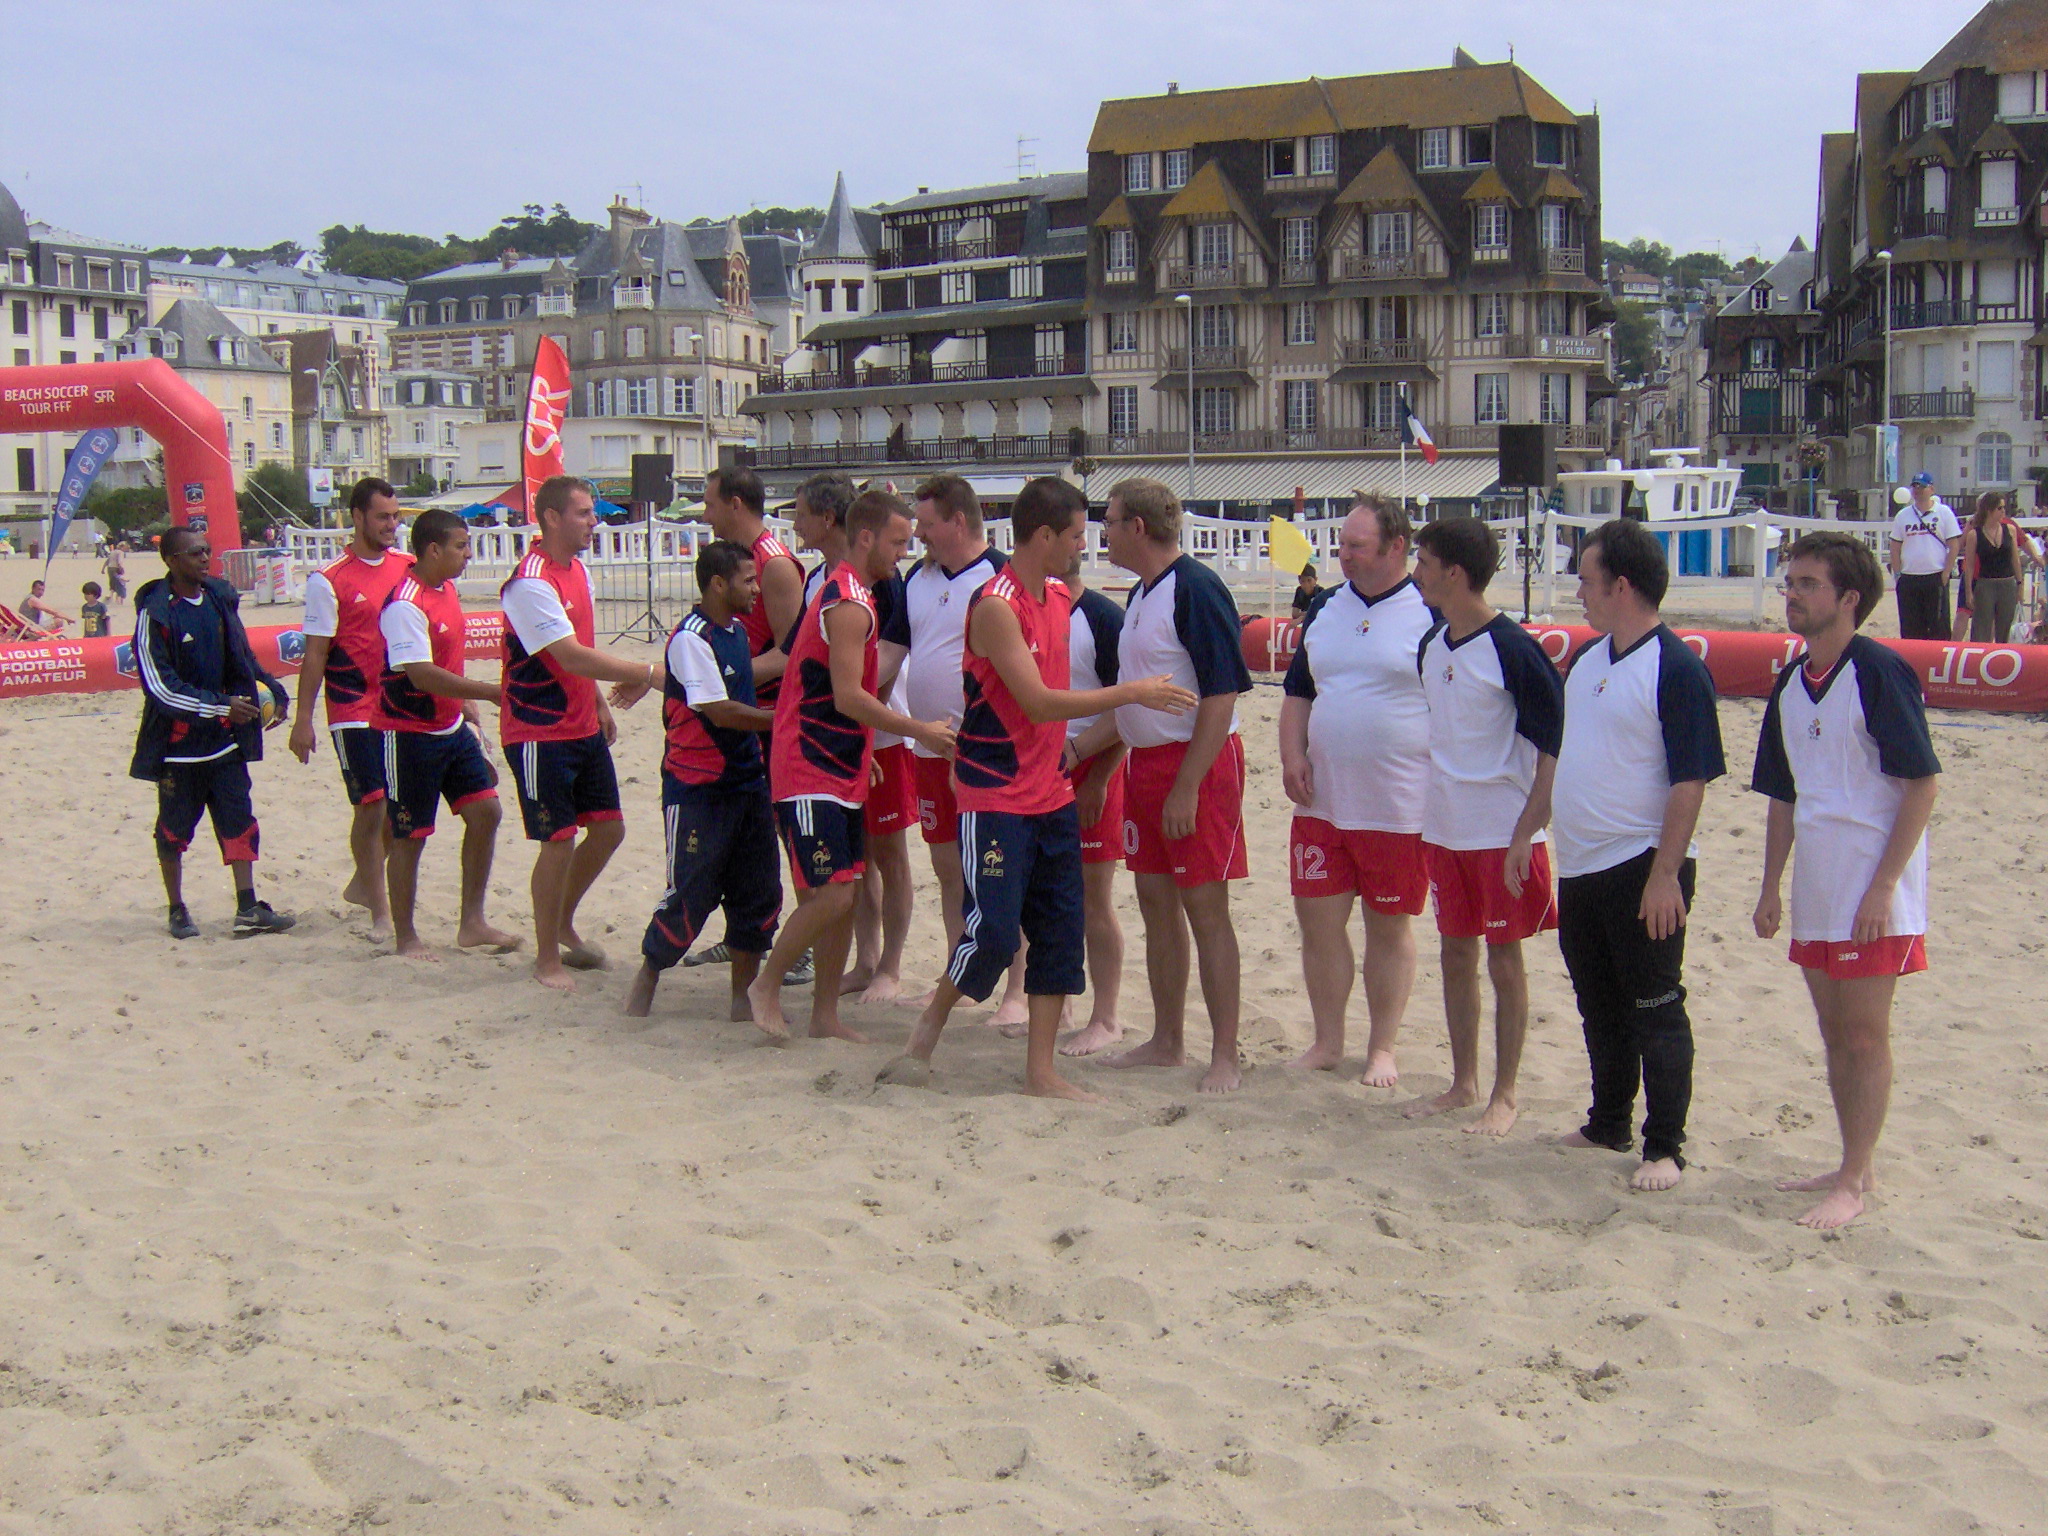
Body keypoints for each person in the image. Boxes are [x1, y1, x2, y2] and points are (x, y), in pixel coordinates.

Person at [877, 477, 1194, 1098]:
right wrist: (1133, 693)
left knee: (1057, 929)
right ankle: (928, 1027)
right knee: (991, 934)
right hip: (993, 794)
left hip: (1049, 792)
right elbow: (1041, 703)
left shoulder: (1056, 595)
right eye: (1077, 535)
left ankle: (1040, 1071)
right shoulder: (996, 605)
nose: (1085, 546)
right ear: (1045, 535)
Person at [1753, 532, 1940, 1230]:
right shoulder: (1791, 680)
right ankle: (1848, 1160)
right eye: (1790, 581)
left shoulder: (1878, 673)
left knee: (1864, 1034)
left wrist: (1885, 886)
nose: (1791, 594)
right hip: (1819, 882)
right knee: (1834, 1033)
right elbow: (1784, 794)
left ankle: (1857, 1178)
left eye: (1806, 583)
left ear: (1848, 598)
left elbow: (1921, 784)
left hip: (1871, 883)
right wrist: (1771, 886)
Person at [1551, 519, 1725, 1192]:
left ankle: (1665, 1146)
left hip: (1643, 863)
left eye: (1588, 582)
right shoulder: (1588, 660)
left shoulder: (1676, 668)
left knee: (1655, 1004)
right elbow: (1571, 756)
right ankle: (1609, 1121)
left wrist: (1663, 875)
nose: (1581, 593)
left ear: (1622, 586)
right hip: (1582, 863)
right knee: (1598, 1002)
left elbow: (1691, 779)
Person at [748, 488, 955, 1040]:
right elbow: (848, 696)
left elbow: (847, 692)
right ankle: (765, 985)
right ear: (865, 536)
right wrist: (919, 730)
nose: (903, 554)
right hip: (809, 763)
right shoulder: (848, 601)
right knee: (834, 892)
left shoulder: (854, 591)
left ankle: (824, 1016)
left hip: (835, 761)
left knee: (846, 890)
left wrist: (865, 755)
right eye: (896, 542)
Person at [1070, 477, 1254, 1093]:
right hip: (1145, 763)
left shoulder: (1196, 588)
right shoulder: (1142, 593)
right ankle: (1168, 1039)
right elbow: (1131, 704)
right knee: (1155, 907)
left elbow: (1222, 693)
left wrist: (1188, 786)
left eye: (1112, 521)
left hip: (1193, 764)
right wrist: (1077, 749)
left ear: (1138, 528)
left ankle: (1224, 1052)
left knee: (1205, 907)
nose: (1104, 532)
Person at [1408, 516, 1563, 1136]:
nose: (1415, 572)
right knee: (1453, 953)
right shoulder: (1431, 641)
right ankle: (1463, 1082)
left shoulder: (1513, 648)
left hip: (1502, 829)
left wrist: (1528, 831)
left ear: (1455, 573)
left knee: (1505, 959)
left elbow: (1556, 746)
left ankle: (1505, 1092)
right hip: (1445, 825)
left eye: (1423, 562)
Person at [1279, 495, 1434, 1086]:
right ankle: (1327, 1040)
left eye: (1356, 547)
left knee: (1388, 926)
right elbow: (1298, 692)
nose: (1342, 556)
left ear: (1396, 548)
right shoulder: (1323, 606)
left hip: (1397, 802)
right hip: (1323, 799)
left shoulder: (1428, 611)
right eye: (1340, 545)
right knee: (1318, 921)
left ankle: (1383, 1047)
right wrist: (1292, 755)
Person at [500, 475, 659, 990]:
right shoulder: (530, 582)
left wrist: (596, 704)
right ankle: (547, 956)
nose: (596, 521)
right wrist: (648, 673)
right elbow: (565, 655)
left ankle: (562, 919)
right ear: (551, 517)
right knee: (558, 840)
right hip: (536, 729)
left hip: (578, 722)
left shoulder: (578, 571)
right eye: (585, 513)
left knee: (609, 828)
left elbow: (580, 647)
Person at [624, 540, 782, 1022]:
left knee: (758, 891)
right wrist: (783, 720)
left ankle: (742, 998)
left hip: (747, 781)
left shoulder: (735, 631)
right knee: (690, 892)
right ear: (718, 584)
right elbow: (721, 712)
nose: (757, 588)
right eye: (748, 580)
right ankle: (644, 984)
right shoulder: (691, 638)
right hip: (698, 787)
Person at [896, 473, 1027, 1026]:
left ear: (957, 521)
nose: (918, 535)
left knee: (1001, 870)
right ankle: (956, 975)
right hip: (928, 745)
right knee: (948, 867)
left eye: (926, 524)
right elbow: (898, 651)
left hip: (985, 749)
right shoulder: (915, 578)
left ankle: (1018, 991)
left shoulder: (1001, 577)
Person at [129, 525, 294, 939]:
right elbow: (161, 688)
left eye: (207, 550)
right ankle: (177, 908)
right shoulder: (156, 613)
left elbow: (240, 657)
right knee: (173, 831)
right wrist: (220, 706)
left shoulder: (219, 599)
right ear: (172, 561)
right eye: (196, 552)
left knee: (239, 822)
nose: (205, 558)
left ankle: (247, 907)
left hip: (225, 743)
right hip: (178, 748)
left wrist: (271, 688)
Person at [373, 510, 516, 960]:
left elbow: (446, 662)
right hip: (408, 730)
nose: (468, 554)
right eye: (460, 545)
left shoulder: (445, 589)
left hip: (449, 725)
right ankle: (406, 936)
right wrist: (491, 692)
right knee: (410, 836)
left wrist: (467, 702)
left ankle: (472, 922)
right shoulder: (404, 604)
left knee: (487, 812)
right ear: (432, 549)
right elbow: (421, 675)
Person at [290, 476, 412, 941]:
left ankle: (365, 882)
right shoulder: (330, 579)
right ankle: (380, 911)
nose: (391, 525)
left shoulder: (408, 566)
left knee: (397, 806)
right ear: (358, 517)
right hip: (352, 705)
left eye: (395, 516)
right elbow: (315, 652)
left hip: (400, 706)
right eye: (382, 516)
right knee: (372, 805)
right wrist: (304, 719)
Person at [1055, 564, 1133, 1057]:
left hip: (1091, 761)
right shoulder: (1024, 610)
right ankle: (1052, 1002)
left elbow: (1126, 708)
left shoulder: (1103, 617)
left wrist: (1100, 777)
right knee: (1044, 892)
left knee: (1094, 897)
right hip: (1040, 762)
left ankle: (1105, 1016)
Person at [846, 559, 918, 1003]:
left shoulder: (887, 582)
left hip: (885, 733)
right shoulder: (825, 578)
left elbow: (892, 656)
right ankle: (866, 960)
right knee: (859, 853)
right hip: (848, 734)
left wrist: (869, 729)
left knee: (889, 851)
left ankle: (890, 965)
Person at [1887, 472, 1961, 640]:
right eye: (1915, 486)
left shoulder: (1943, 512)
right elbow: (1895, 546)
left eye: (1922, 486)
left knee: (1938, 627)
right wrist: (1898, 574)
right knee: (1911, 628)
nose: (1918, 490)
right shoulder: (1903, 515)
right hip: (1909, 578)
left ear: (1931, 489)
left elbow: (1954, 544)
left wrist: (1946, 572)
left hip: (1935, 576)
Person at [1961, 490, 2042, 643]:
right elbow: (1969, 566)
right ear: (1989, 510)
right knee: (1982, 628)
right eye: (2000, 508)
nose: (2003, 511)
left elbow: (2015, 559)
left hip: (2007, 583)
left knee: (2005, 629)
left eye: (2004, 508)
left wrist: (2019, 583)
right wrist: (1969, 592)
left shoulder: (2009, 530)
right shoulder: (1974, 535)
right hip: (1985, 584)